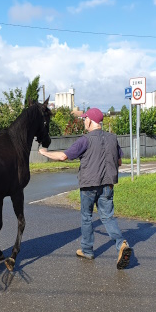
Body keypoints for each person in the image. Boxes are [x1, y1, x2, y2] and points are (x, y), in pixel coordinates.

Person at [39, 107, 132, 269]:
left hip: (89, 185)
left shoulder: (85, 140)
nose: (83, 122)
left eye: (84, 119)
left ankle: (87, 250)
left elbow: (63, 156)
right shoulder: (112, 138)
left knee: (87, 217)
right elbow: (119, 162)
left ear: (90, 120)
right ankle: (121, 244)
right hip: (108, 184)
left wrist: (44, 153)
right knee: (108, 217)